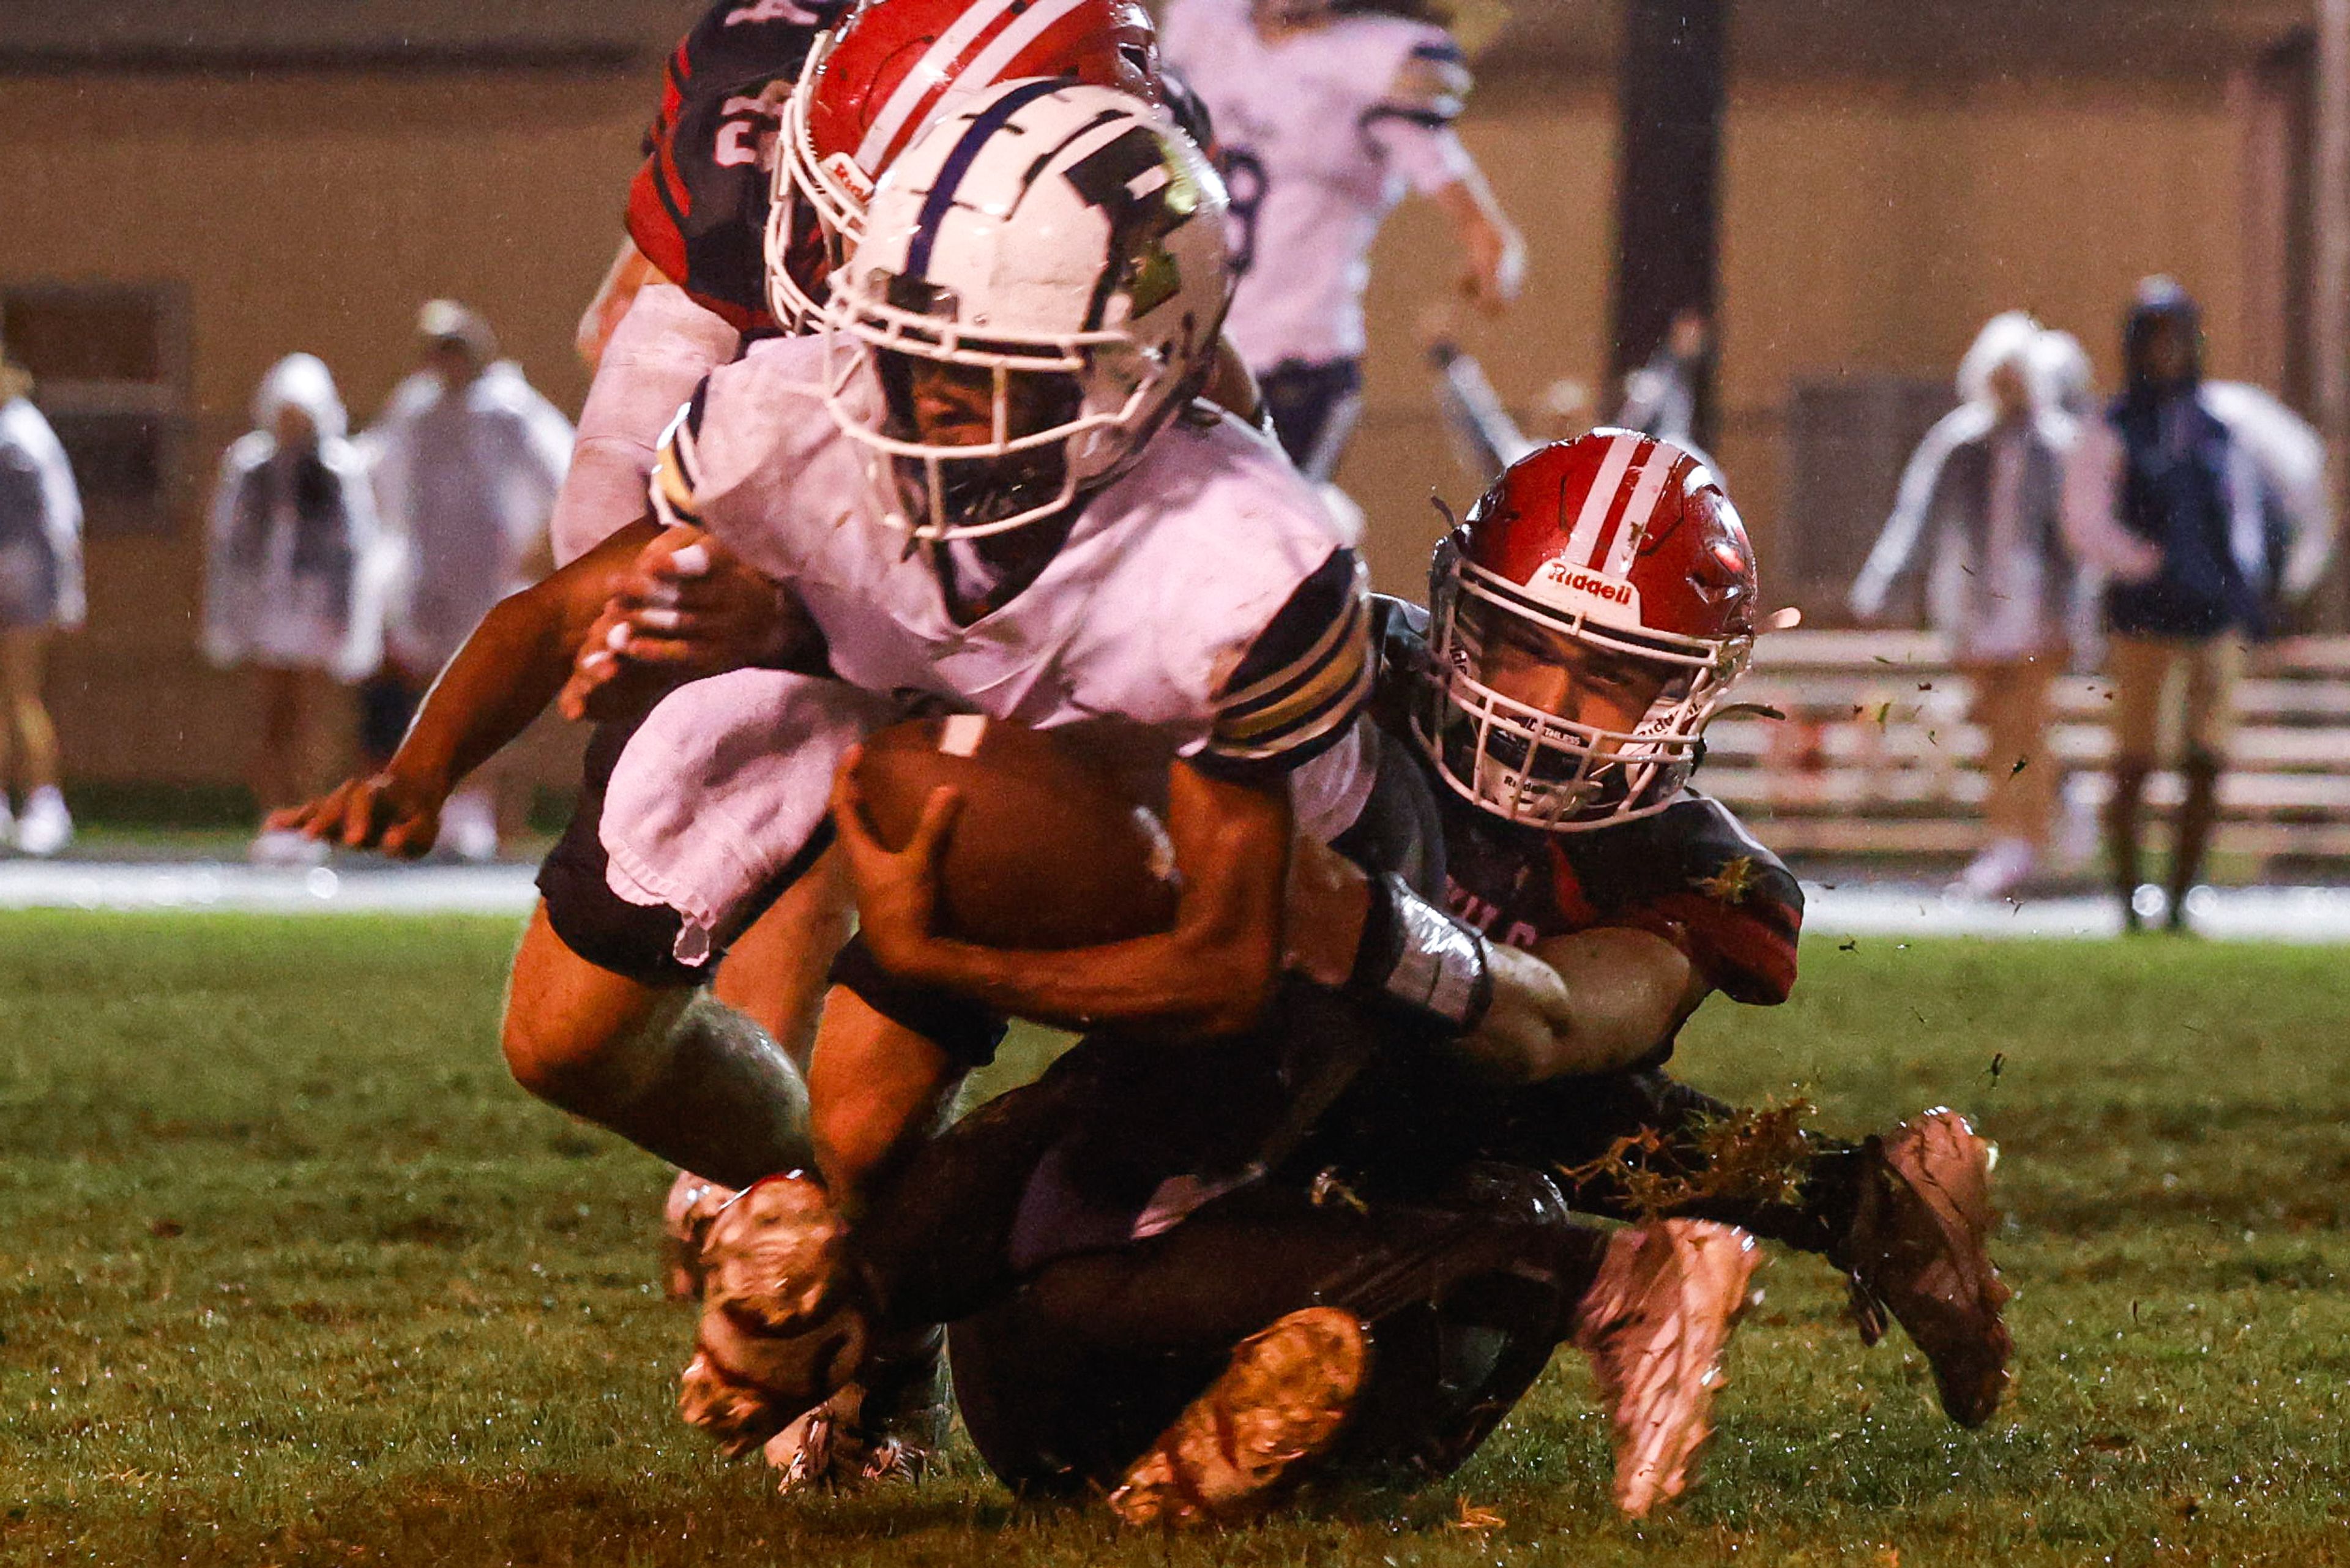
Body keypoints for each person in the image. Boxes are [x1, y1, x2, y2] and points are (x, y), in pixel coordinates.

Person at [671, 434, 2009, 1513]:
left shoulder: (1694, 864)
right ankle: (1838, 1207)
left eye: (1609, 674)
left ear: (1690, 696)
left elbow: (1572, 1034)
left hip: (1433, 1189)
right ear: (1449, 609)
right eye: (1525, 643)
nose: (1549, 699)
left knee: (1462, 1080)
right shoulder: (1338, 674)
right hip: (1206, 1103)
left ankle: (1620, 1267)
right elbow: (1131, 824)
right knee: (1060, 1360)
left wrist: (1369, 931)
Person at [2063, 278, 2335, 933]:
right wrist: (2151, 563)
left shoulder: (2222, 423)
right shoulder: (2115, 425)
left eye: (2179, 337)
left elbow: (2250, 508)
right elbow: (2086, 520)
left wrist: (2253, 583)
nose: (2170, 352)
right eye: (2157, 338)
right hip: (2145, 617)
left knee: (2206, 759)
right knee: (2134, 759)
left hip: (2211, 616)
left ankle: (2182, 900)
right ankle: (2128, 900)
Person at [1160, 0, 1524, 482]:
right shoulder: (1205, 23)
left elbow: (1466, 202)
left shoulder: (1373, 58)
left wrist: (1488, 246)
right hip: (1184, 346)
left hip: (1294, 357)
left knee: (1264, 534)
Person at [1851, 313, 2080, 899]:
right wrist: (1883, 583)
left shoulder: (2056, 448)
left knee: (2020, 730)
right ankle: (2037, 824)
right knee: (1995, 729)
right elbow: (1917, 519)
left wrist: (2074, 617)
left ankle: (2019, 842)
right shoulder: (1959, 442)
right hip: (1975, 611)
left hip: (2033, 613)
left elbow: (2072, 545)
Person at [360, 301, 573, 861]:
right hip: (429, 581)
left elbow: (562, 471)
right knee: (430, 698)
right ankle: (432, 804)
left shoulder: (509, 411)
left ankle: (479, 806)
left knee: (483, 696)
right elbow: (378, 476)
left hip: (487, 579)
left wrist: (538, 552)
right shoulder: (415, 411)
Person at [203, 356, 389, 864]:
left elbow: (355, 550)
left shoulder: (336, 469)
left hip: (315, 617)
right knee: (271, 720)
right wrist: (229, 618)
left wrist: (350, 624)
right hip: (266, 612)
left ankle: (308, 814)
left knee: (311, 721)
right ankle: (274, 813)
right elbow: (230, 545)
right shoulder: (251, 466)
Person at [0, 342, 83, 857]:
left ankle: (44, 801)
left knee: (22, 693)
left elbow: (57, 521)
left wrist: (62, 589)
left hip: (22, 582)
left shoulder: (25, 435)